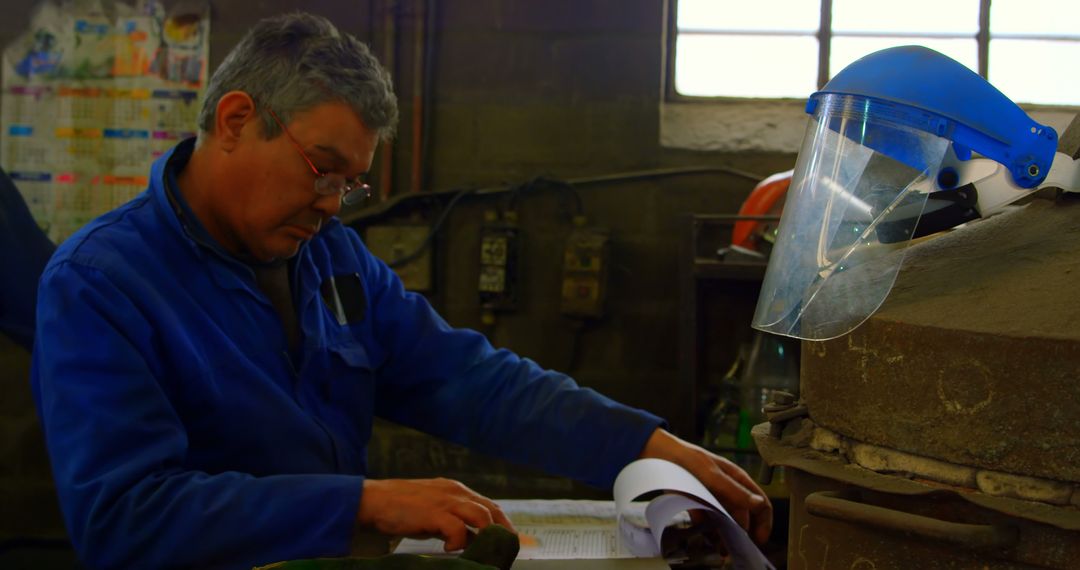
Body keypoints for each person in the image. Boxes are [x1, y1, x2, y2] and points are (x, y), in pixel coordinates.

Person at [32, 12, 771, 569]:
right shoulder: (101, 285)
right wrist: (365, 502)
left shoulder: (331, 258)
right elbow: (125, 517)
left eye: (349, 184)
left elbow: (471, 382)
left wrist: (645, 444)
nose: (331, 202)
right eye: (322, 167)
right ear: (235, 120)